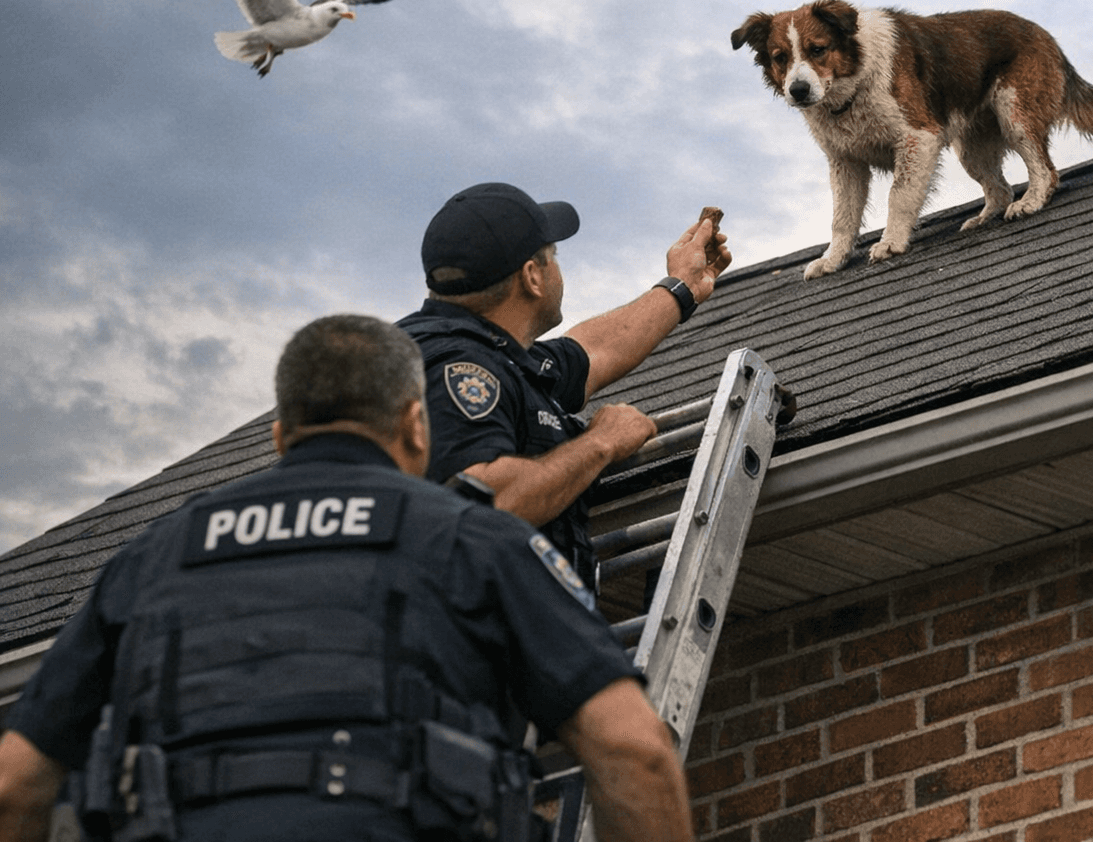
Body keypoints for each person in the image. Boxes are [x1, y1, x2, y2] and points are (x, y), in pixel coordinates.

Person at [0, 315, 694, 842]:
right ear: (416, 425)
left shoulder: (153, 557)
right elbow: (633, 749)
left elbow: (14, 784)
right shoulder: (474, 540)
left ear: (279, 434)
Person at [397, 183, 730, 588]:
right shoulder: (458, 369)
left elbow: (597, 348)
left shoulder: (492, 356)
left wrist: (684, 285)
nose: (558, 267)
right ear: (533, 277)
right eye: (554, 255)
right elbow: (484, 504)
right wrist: (598, 444)